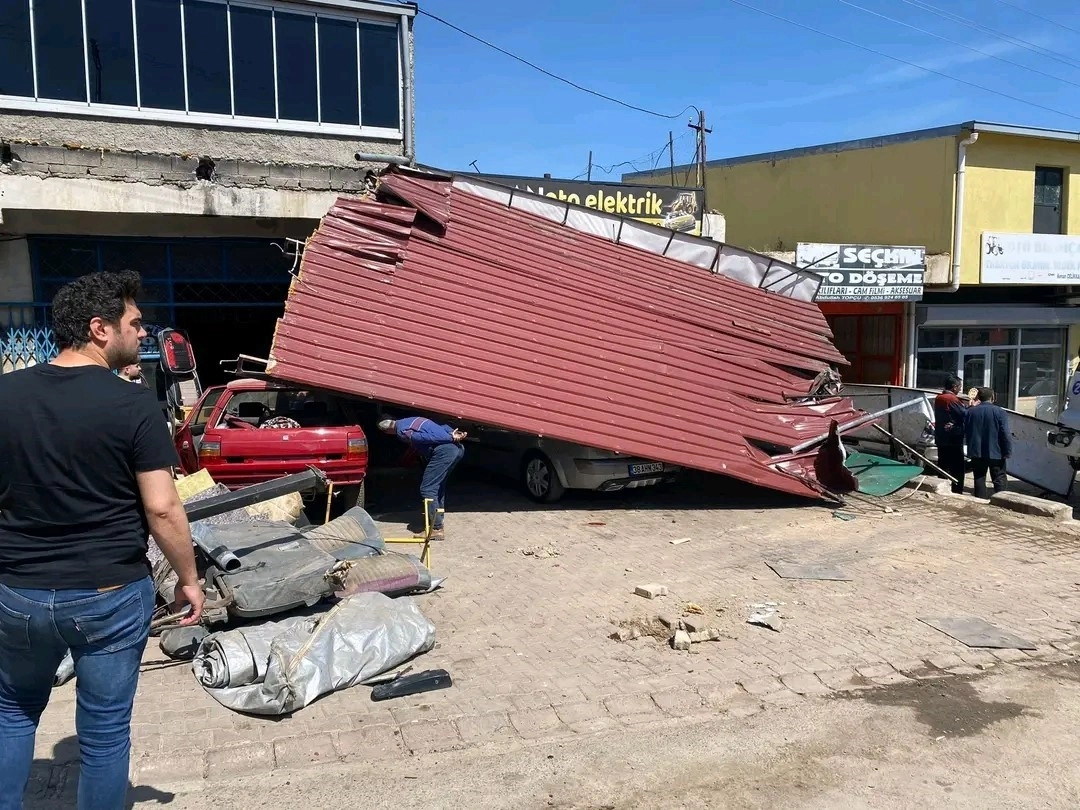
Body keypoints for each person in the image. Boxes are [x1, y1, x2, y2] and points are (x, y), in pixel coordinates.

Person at [0, 271, 204, 810]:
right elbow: (162, 506)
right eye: (134, 324)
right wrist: (188, 579)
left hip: (17, 590)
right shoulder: (132, 404)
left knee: (13, 711)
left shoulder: (5, 394)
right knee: (106, 731)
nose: (143, 334)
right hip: (109, 592)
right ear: (99, 328)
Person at [379, 416, 467, 540]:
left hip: (444, 451)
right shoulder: (413, 420)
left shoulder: (402, 431)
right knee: (438, 487)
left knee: (428, 489)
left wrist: (450, 437)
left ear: (387, 431)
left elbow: (421, 438)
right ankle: (437, 523)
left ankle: (436, 528)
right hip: (457, 449)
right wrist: (452, 433)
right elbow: (441, 426)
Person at [964, 387, 1013, 499]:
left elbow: (966, 430)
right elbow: (1005, 433)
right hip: (996, 451)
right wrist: (1008, 450)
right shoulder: (1000, 412)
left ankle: (979, 500)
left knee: (979, 477)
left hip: (976, 451)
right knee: (999, 477)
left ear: (978, 397)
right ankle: (1001, 500)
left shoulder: (970, 411)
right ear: (992, 397)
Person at [933, 374, 968, 494]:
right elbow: (964, 414)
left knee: (943, 465)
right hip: (953, 438)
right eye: (959, 387)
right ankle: (957, 490)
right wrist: (971, 406)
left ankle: (942, 487)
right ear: (954, 387)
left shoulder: (939, 397)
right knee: (957, 467)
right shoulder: (951, 399)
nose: (960, 390)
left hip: (941, 437)